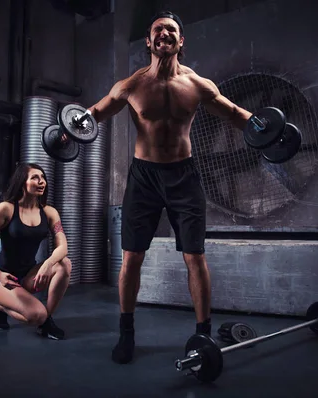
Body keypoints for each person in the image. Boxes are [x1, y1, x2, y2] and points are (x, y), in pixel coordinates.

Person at [85, 11, 254, 364]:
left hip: (184, 176)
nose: (164, 34)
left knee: (194, 256)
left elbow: (236, 113)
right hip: (144, 178)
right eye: (157, 29)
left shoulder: (197, 85)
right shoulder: (130, 85)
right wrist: (73, 124)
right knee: (132, 256)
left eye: (171, 30)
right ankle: (127, 333)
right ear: (148, 41)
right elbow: (94, 115)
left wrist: (266, 129)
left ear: (181, 41)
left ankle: (203, 334)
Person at [0, 162, 72, 340]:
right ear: (22, 183)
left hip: (28, 275)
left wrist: (48, 264)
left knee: (64, 264)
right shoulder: (6, 209)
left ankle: (46, 321)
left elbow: (63, 246)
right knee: (36, 314)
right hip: (3, 279)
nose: (41, 181)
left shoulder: (49, 212)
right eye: (35, 177)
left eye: (43, 177)